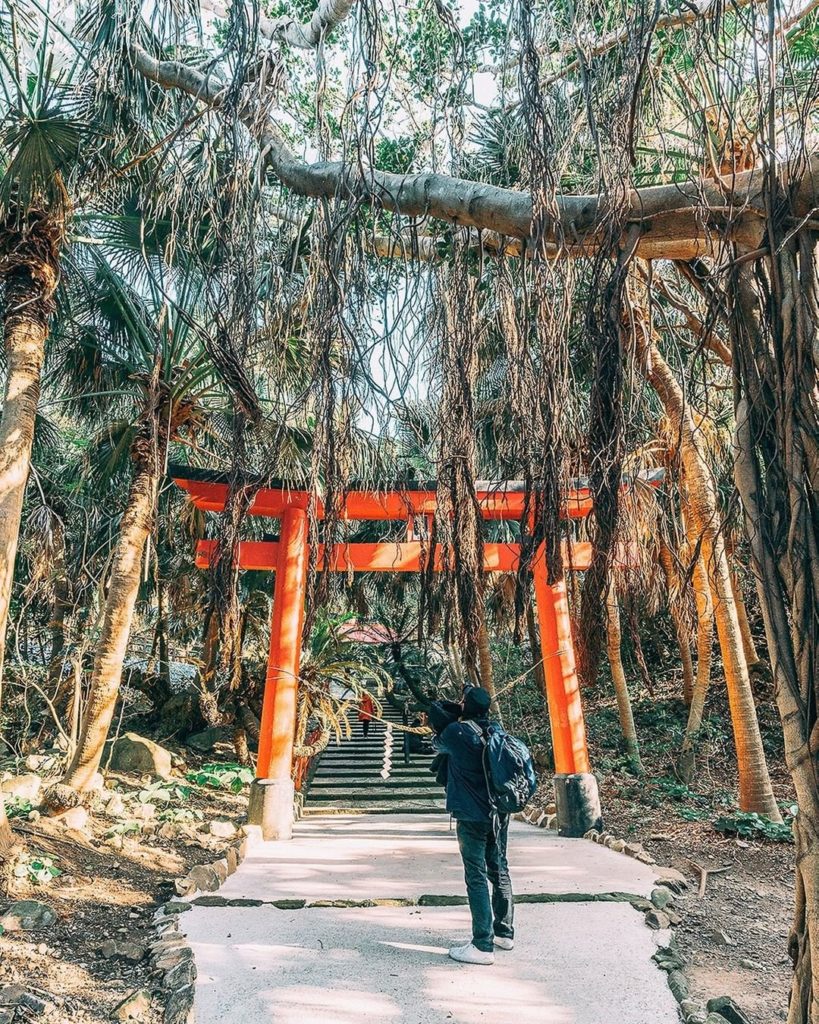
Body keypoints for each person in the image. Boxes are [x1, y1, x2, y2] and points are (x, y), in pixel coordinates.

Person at [430, 686, 514, 966]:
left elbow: (436, 729)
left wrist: (454, 710)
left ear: (466, 705)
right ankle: (504, 932)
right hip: (498, 813)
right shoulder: (497, 731)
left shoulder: (457, 733)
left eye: (463, 700)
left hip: (471, 814)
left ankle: (482, 945)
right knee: (499, 870)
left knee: (475, 875)